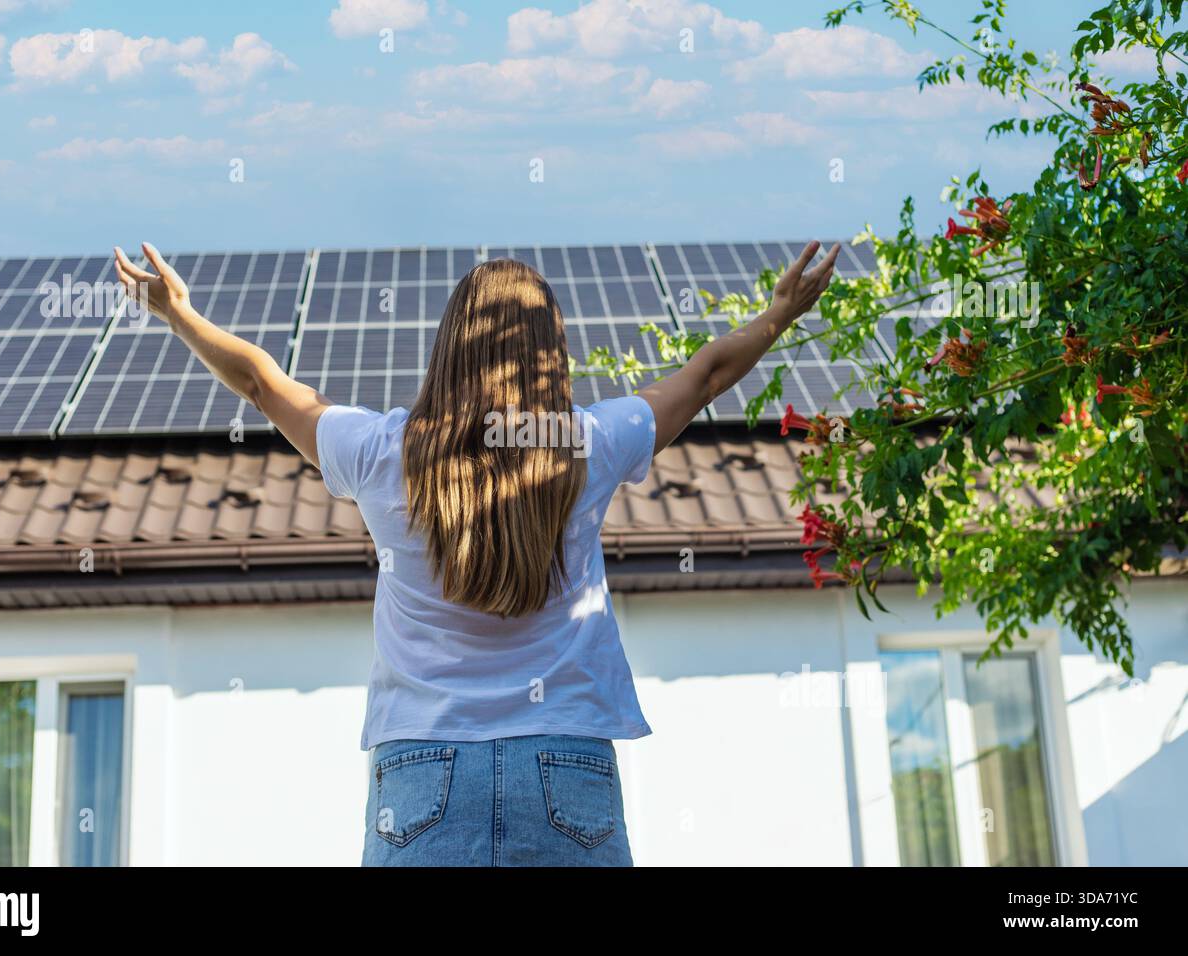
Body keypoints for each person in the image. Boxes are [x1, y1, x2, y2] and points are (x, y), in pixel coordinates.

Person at [113, 239, 839, 866]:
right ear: (551, 354)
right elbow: (705, 376)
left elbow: (262, 383)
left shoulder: (378, 451)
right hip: (567, 761)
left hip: (422, 770)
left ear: (449, 346)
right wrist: (778, 314)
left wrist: (179, 313)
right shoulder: (588, 443)